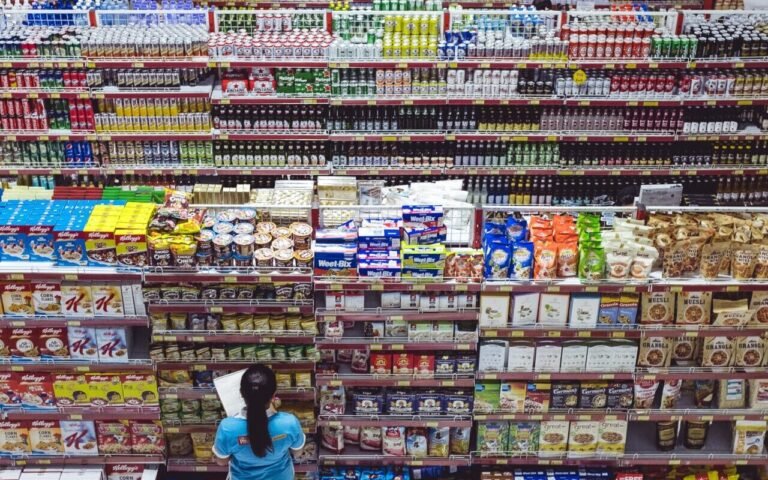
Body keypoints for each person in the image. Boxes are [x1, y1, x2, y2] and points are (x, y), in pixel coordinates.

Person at [213, 364, 305, 480]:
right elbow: (297, 453)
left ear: (241, 393)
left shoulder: (227, 427)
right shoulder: (289, 422)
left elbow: (222, 461)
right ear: (273, 395)